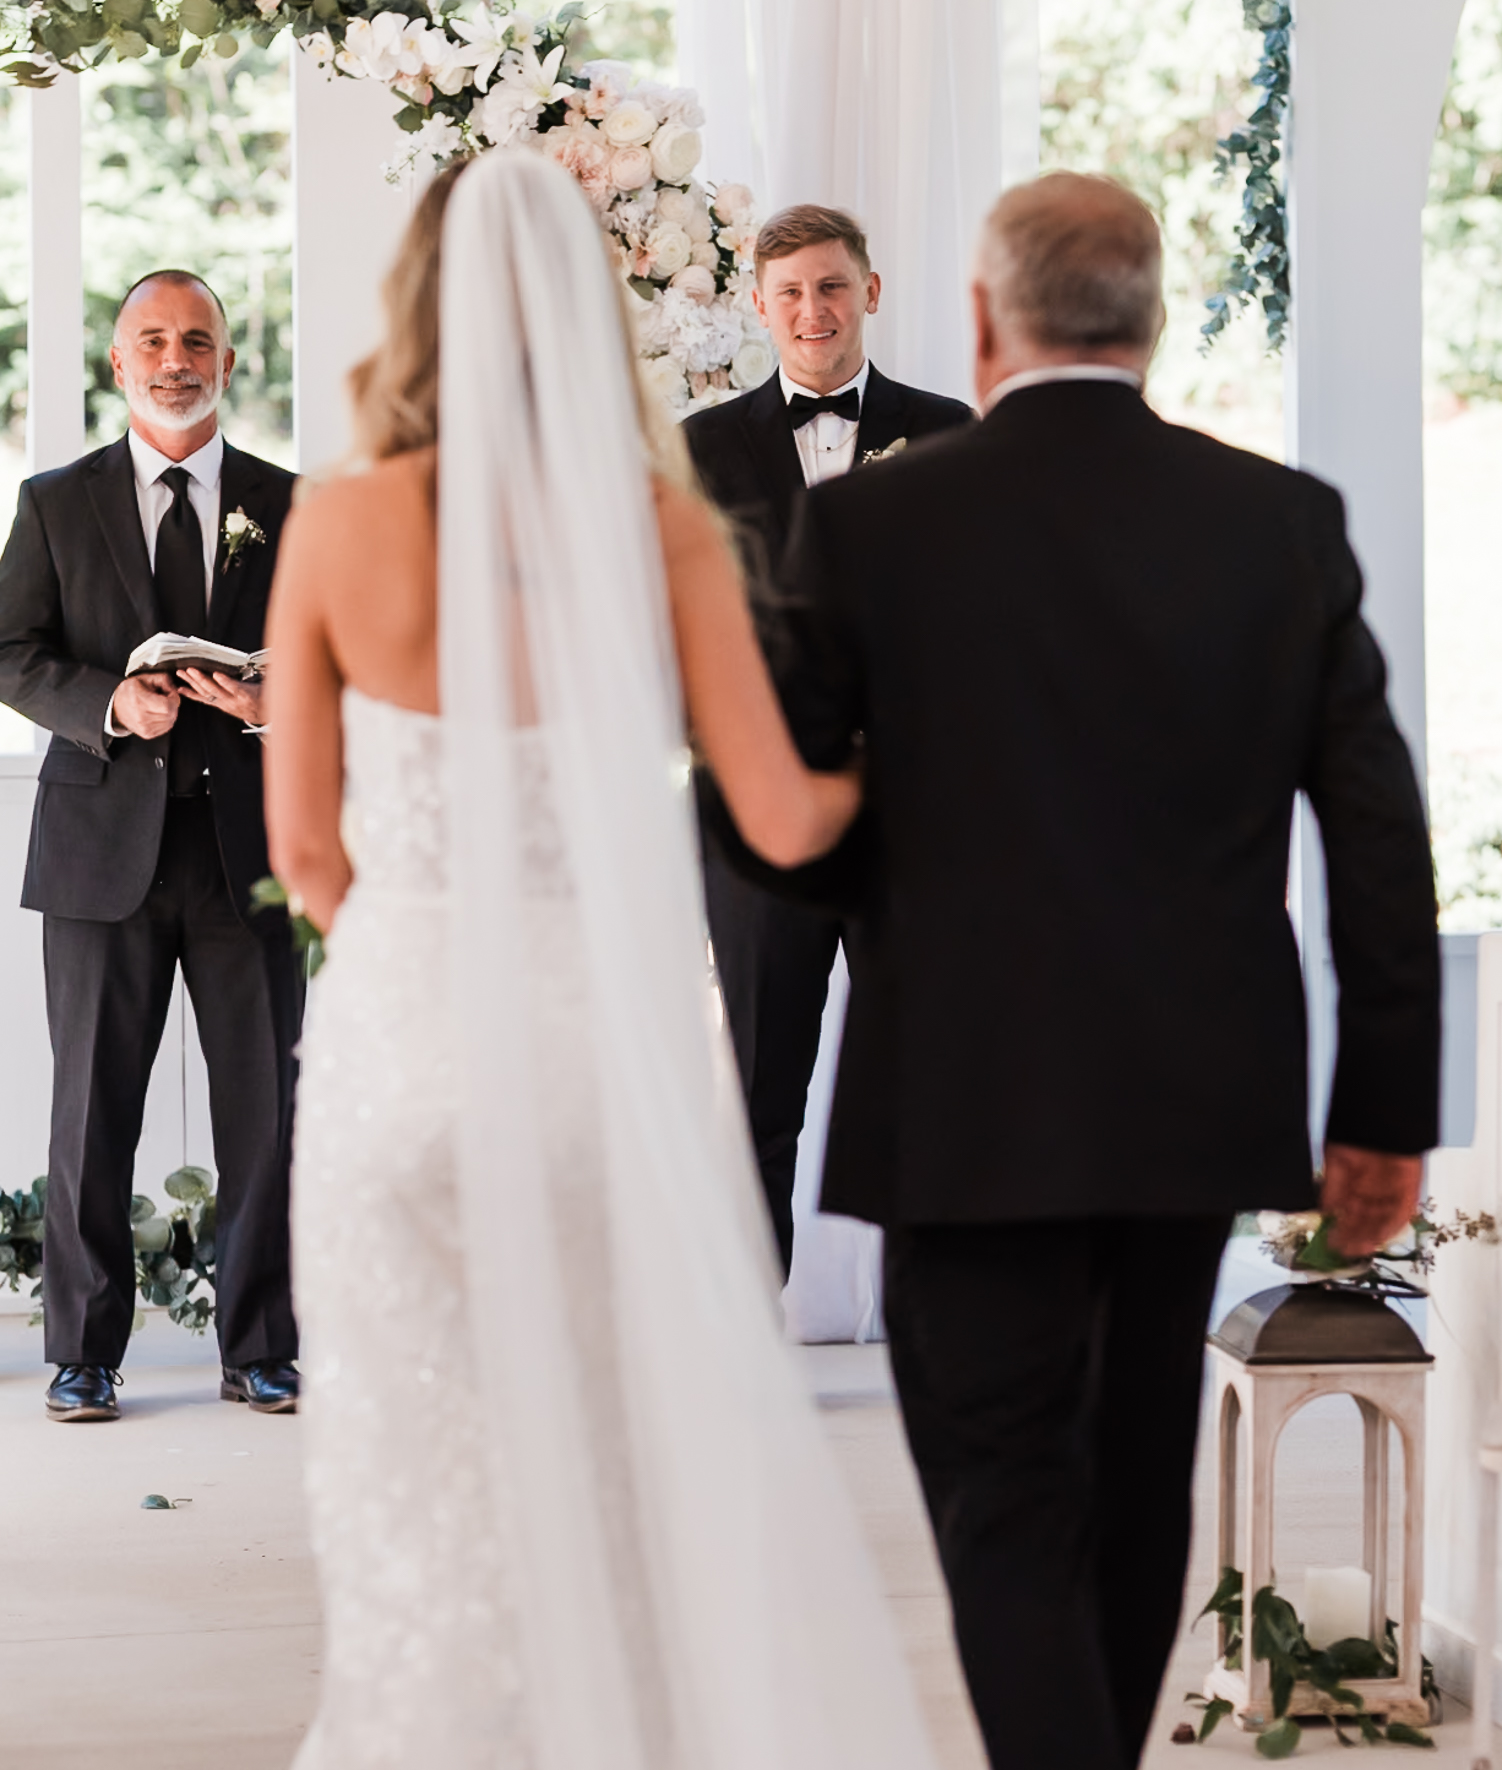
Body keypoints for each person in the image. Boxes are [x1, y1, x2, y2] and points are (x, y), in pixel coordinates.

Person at [708, 172, 1441, 1769]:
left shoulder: (865, 526)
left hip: (961, 1096)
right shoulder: (1276, 523)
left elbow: (774, 836)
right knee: (1128, 1485)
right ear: (1152, 317)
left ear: (978, 320)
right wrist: (1383, 1116)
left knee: (997, 1496)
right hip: (1191, 1100)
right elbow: (1378, 837)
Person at [264, 151, 938, 1770]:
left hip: (399, 1060)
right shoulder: (659, 524)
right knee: (617, 1469)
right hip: (595, 1064)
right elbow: (778, 816)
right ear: (590, 306)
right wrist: (929, 751)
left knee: (419, 1485)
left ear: (416, 305)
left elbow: (305, 851)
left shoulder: (337, 521)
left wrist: (426, 957)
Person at [0, 271, 302, 1423]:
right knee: (90, 1112)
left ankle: (261, 1344)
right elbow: (7, 648)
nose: (175, 358)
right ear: (118, 363)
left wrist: (269, 704)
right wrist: (112, 707)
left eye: (197, 340)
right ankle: (84, 1354)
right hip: (98, 853)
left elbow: (337, 659)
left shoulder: (290, 502)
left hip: (253, 852)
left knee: (265, 1111)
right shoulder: (54, 501)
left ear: (227, 360)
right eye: (152, 340)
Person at [684, 204, 970, 1274]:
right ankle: (751, 1344)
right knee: (761, 1088)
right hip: (758, 812)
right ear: (758, 304)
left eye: (832, 285)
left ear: (871, 291)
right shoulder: (699, 448)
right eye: (791, 290)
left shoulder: (949, 430)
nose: (813, 309)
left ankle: (943, 1326)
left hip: (914, 815)